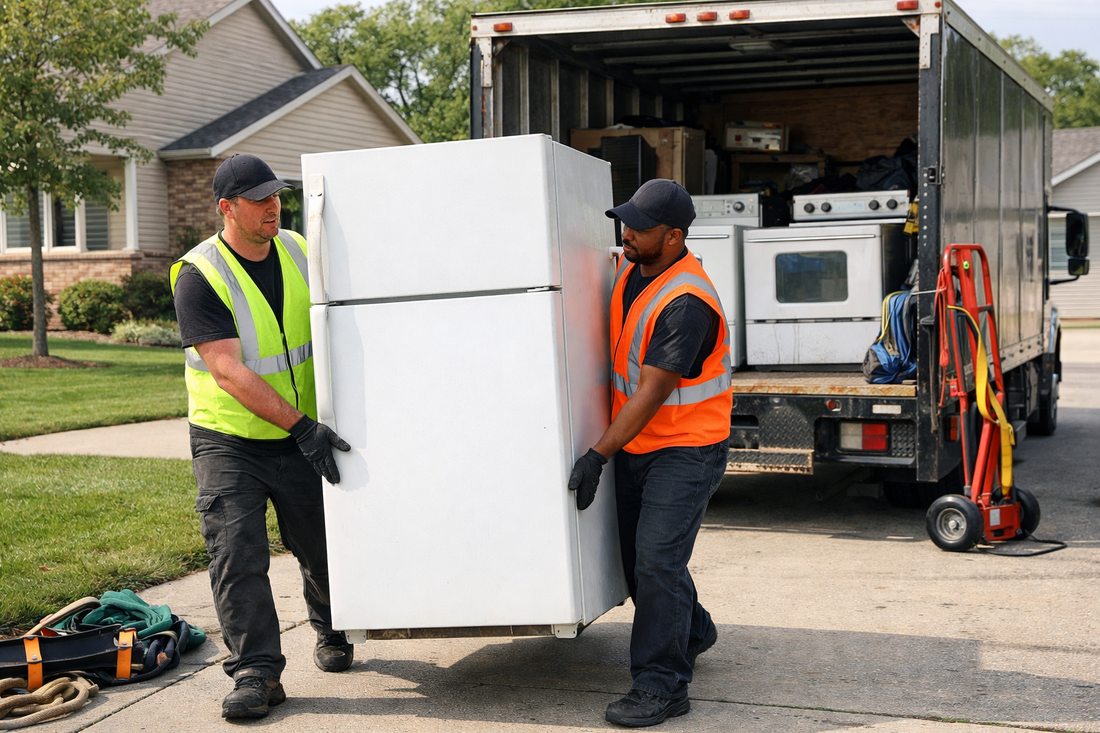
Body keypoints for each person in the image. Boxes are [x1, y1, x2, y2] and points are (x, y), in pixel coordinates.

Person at [170, 154, 353, 719]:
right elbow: (226, 369)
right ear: (227, 208)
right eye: (259, 199)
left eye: (275, 195)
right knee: (237, 554)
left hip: (300, 432)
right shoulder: (199, 275)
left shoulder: (298, 249)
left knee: (319, 542)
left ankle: (332, 626)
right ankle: (256, 672)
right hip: (230, 439)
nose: (273, 206)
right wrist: (302, 426)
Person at [568, 179, 732, 728]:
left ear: (674, 237)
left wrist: (597, 454)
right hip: (639, 444)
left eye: (639, 228)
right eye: (626, 223)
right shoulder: (631, 269)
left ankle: (662, 685)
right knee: (640, 565)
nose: (626, 234)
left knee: (658, 561)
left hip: (687, 449)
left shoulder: (686, 302)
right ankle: (693, 630)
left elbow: (651, 392)